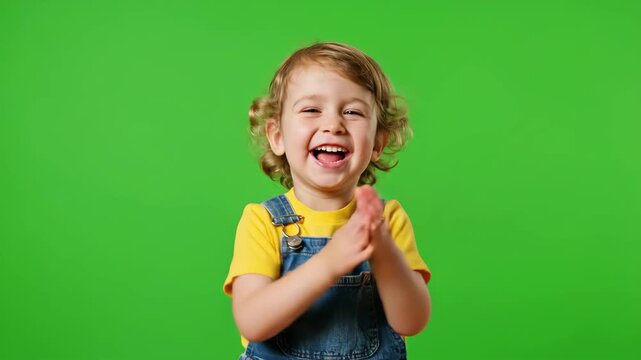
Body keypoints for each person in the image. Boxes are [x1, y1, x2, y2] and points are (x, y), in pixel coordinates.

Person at [223, 42, 431, 360]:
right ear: (277, 135)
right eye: (311, 110)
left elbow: (412, 321)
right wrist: (330, 263)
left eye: (353, 112)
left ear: (377, 142)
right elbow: (253, 322)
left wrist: (383, 248)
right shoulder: (262, 221)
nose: (333, 124)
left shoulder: (387, 220)